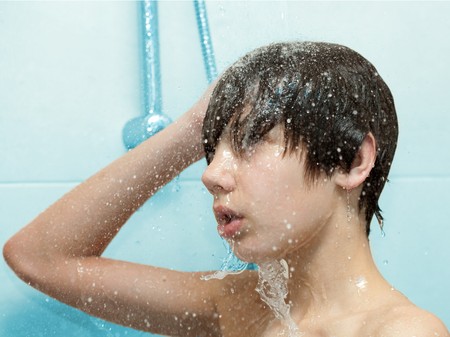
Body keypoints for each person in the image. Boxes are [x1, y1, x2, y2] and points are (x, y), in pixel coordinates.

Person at [4, 41, 448, 337]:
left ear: (351, 162)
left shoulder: (403, 333)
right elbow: (39, 257)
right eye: (211, 150)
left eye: (251, 142)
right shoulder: (239, 307)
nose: (210, 174)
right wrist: (191, 129)